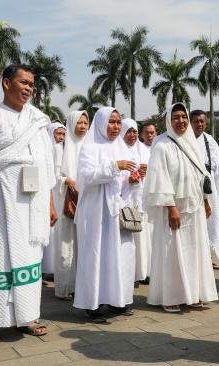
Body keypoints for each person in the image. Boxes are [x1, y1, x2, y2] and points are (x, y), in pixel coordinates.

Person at [0, 64, 57, 345]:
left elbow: (46, 166)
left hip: (32, 205)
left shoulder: (38, 120)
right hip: (0, 200)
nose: (29, 88)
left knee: (29, 259)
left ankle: (27, 316)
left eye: (32, 84)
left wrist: (50, 204)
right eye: (23, 82)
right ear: (7, 83)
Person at [144, 103, 218, 312]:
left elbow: (201, 174)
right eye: (175, 117)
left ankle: (193, 294)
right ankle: (170, 296)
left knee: (194, 250)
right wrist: (171, 207)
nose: (181, 121)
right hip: (174, 209)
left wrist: (205, 199)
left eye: (183, 117)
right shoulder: (162, 146)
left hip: (194, 208)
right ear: (168, 121)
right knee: (172, 252)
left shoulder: (192, 144)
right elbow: (160, 180)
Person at [73, 106, 140, 322]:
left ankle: (117, 299)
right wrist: (114, 166)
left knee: (121, 255)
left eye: (118, 122)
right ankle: (93, 304)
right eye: (111, 122)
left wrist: (132, 180)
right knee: (97, 255)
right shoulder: (90, 147)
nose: (116, 126)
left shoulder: (123, 148)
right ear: (101, 123)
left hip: (118, 211)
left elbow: (124, 183)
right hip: (96, 212)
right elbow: (87, 177)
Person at [52, 110, 89, 301]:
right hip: (66, 200)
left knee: (83, 245)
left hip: (87, 201)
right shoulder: (61, 147)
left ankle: (80, 286)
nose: (82, 127)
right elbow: (54, 176)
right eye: (79, 123)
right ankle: (64, 288)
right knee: (66, 245)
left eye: (85, 122)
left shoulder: (90, 146)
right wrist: (68, 181)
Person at [190, 110, 219, 269]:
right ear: (190, 122)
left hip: (208, 187)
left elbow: (218, 167)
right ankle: (193, 260)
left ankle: (206, 258)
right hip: (190, 187)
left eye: (202, 121)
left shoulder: (209, 141)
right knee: (193, 225)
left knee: (207, 224)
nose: (199, 124)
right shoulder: (185, 140)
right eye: (196, 121)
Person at [120, 118, 152, 286]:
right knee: (128, 236)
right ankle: (129, 273)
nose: (132, 135)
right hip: (125, 200)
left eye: (134, 131)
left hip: (141, 199)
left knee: (142, 236)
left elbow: (154, 170)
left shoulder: (144, 150)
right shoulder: (118, 150)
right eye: (128, 131)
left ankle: (142, 271)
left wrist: (147, 170)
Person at [42, 121, 66, 280]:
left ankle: (49, 269)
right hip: (52, 194)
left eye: (64, 134)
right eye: (58, 134)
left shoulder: (60, 149)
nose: (61, 137)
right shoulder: (52, 149)